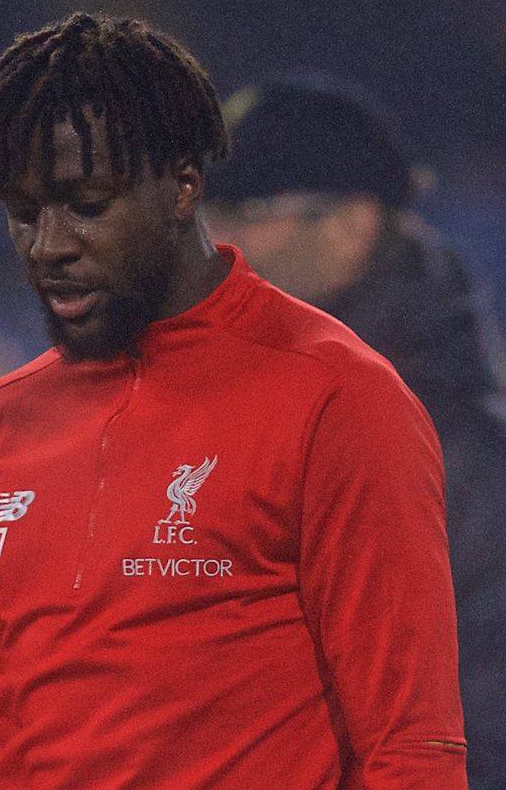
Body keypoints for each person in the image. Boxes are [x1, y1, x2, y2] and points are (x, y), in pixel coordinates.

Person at [0, 13, 467, 790]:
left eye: (87, 203)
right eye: (24, 213)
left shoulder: (340, 397)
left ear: (183, 182)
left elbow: (412, 747)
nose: (49, 244)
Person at [205, 77, 506, 790]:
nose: (214, 237)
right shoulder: (209, 394)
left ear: (349, 226)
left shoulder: (448, 451)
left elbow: (473, 718)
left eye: (244, 210)